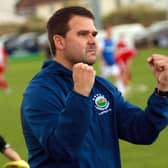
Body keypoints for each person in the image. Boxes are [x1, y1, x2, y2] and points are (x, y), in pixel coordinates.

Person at [21, 6, 168, 168]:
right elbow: (62, 150)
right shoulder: (40, 92)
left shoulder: (101, 86)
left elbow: (143, 131)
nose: (92, 40)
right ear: (59, 41)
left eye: (94, 34)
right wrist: (80, 95)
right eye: (83, 34)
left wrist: (163, 90)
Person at [98, 24, 125, 94]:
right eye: (109, 31)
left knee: (117, 75)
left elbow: (115, 51)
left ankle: (121, 90)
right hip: (106, 64)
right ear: (106, 32)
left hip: (113, 63)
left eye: (111, 31)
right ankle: (99, 90)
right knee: (103, 79)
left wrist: (116, 58)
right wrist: (102, 60)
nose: (110, 32)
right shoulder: (103, 41)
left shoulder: (113, 41)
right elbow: (100, 52)